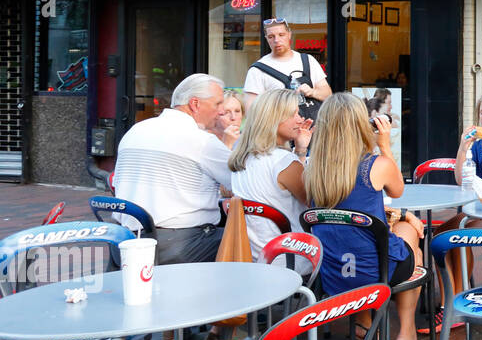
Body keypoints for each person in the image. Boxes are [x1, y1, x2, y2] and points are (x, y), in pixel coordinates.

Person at [304, 93, 424, 340]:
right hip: (374, 271)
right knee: (412, 241)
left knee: (372, 236)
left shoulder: (311, 170)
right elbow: (398, 189)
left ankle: (367, 322)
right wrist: (384, 145)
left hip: (333, 273)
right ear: (361, 125)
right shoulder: (376, 165)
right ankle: (406, 333)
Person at [112, 74, 231, 264]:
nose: (222, 111)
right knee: (246, 240)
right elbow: (242, 182)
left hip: (124, 242)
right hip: (180, 244)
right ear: (195, 104)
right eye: (217, 104)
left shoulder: (135, 130)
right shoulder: (201, 141)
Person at [228, 89, 313, 274]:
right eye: (293, 114)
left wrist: (299, 150)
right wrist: (301, 154)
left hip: (249, 256)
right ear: (273, 118)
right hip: (290, 258)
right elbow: (314, 204)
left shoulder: (241, 159)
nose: (300, 119)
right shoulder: (283, 161)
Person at [242, 17, 332, 121]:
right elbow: (251, 112)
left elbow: (328, 94)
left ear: (289, 34)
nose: (276, 40)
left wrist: (312, 92)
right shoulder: (257, 70)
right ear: (266, 38)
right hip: (279, 133)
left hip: (313, 131)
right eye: (271, 37)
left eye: (281, 35)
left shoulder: (308, 60)